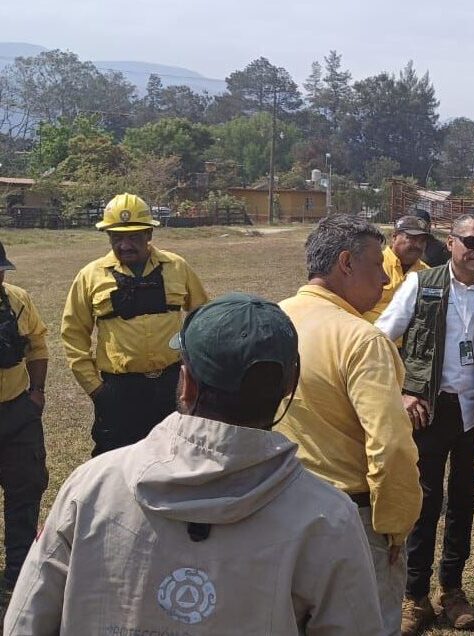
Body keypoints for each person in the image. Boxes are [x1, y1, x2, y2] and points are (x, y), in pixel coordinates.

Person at [4, 293, 385, 635]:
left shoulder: (91, 486)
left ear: (185, 383)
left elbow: (25, 619)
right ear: (289, 385)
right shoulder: (327, 515)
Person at [376, 211, 474, 635]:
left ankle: (453, 591)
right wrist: (403, 391)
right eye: (472, 242)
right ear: (451, 242)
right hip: (430, 411)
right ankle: (414, 595)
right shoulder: (420, 285)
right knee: (424, 504)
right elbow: (380, 339)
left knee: (463, 502)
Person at [277, 215, 422, 636]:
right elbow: (391, 446)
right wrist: (395, 527)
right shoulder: (362, 340)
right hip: (351, 519)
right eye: (377, 266)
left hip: (280, 505)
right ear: (345, 263)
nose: (383, 278)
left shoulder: (276, 321)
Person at [61, 192, 208, 456]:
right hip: (118, 389)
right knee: (116, 460)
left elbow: (203, 318)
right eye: (117, 237)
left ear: (149, 234)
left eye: (133, 237)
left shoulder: (177, 267)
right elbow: (73, 336)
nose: (125, 245)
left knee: (174, 456)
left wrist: (193, 370)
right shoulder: (90, 276)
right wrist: (96, 389)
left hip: (172, 384)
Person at [0, 241, 48, 603]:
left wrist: (37, 393)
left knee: (25, 490)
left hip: (17, 411)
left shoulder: (16, 299)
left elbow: (38, 346)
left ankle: (18, 571)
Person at [362, 215, 432, 323]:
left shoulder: (428, 274)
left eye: (422, 241)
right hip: (370, 335)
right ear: (394, 238)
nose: (418, 245)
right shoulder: (371, 265)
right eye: (411, 238)